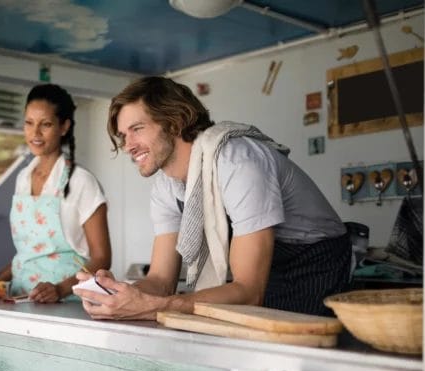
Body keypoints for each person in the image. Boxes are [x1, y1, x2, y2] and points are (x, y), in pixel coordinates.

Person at [75, 76, 350, 319]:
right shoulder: (165, 186)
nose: (128, 146)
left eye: (137, 129)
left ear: (175, 122)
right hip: (260, 269)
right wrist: (121, 296)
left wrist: (154, 306)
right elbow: (160, 280)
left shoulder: (237, 161)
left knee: (291, 359)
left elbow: (249, 291)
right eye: (124, 135)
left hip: (312, 262)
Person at [0, 83, 111, 303]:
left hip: (67, 303)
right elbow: (27, 255)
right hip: (21, 299)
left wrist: (59, 290)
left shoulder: (81, 182)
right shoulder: (22, 179)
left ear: (64, 127)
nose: (35, 133)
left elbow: (102, 258)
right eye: (29, 123)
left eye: (45, 124)